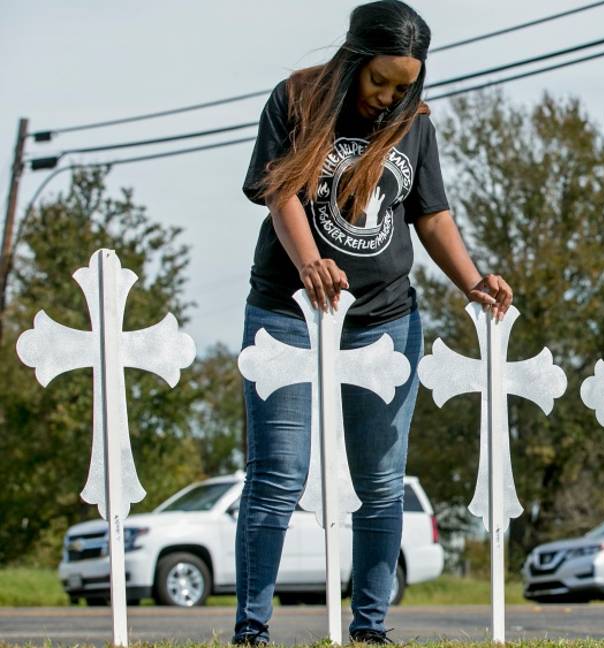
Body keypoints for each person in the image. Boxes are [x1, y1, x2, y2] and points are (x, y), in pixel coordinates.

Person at [233, 2, 511, 644]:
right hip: (287, 312)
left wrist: (472, 282)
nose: (388, 96)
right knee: (278, 473)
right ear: (355, 59)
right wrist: (310, 262)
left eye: (402, 85)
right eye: (379, 80)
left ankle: (371, 629)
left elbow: (431, 215)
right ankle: (252, 629)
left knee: (382, 480)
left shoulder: (413, 122)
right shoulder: (297, 99)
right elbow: (280, 191)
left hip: (385, 319)